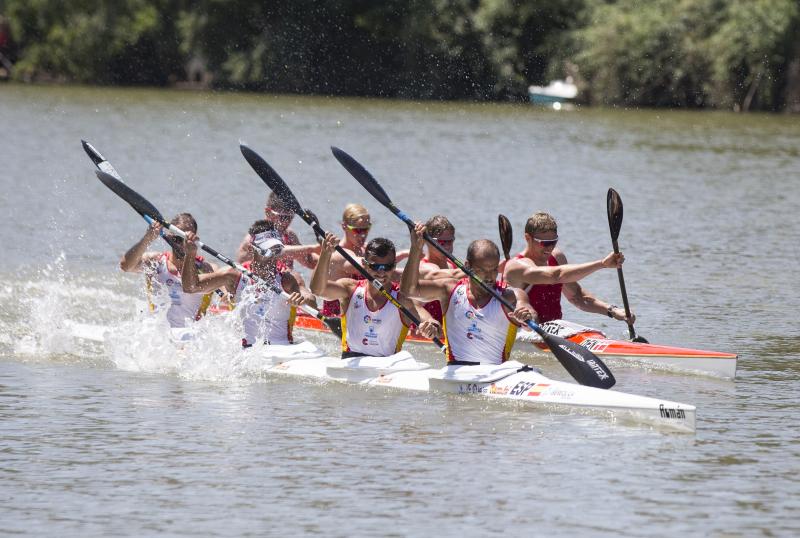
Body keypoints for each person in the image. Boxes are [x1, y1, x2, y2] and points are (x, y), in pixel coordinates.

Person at [402, 224, 536, 365]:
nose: (489, 277)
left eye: (494, 269)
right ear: (467, 266)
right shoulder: (449, 290)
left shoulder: (511, 296)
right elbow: (408, 290)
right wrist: (415, 249)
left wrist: (527, 316)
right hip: (457, 371)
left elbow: (531, 315)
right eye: (482, 270)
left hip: (497, 374)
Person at [182, 220, 314, 347]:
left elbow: (310, 298)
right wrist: (190, 254)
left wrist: (302, 299)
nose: (272, 256)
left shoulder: (288, 279)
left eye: (276, 250)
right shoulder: (234, 276)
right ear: (252, 249)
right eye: (267, 251)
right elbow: (190, 287)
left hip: (284, 349)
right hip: (249, 353)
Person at [311, 231, 439, 358]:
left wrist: (432, 327)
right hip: (351, 361)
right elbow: (317, 290)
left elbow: (431, 321)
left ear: (394, 266)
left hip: (385, 366)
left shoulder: (402, 299)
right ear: (365, 265)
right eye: (375, 266)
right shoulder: (349, 290)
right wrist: (325, 254)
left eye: (387, 267)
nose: (381, 273)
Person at [502, 211, 631, 324]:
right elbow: (556, 275)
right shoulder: (516, 266)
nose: (550, 248)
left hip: (556, 331)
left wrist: (612, 311)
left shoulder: (557, 257)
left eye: (553, 242)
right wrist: (602, 264)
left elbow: (578, 297)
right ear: (527, 238)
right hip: (524, 332)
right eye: (544, 243)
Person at [119, 213, 216, 329]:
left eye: (185, 240)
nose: (181, 245)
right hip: (158, 335)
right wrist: (148, 238)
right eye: (177, 239)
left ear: (195, 240)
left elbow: (229, 295)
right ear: (169, 237)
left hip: (192, 336)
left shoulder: (207, 269)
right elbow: (126, 266)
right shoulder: (155, 263)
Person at [319, 203, 410, 317]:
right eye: (358, 230)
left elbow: (381, 264)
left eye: (366, 229)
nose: (363, 235)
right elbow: (369, 265)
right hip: (338, 316)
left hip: (363, 314)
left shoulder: (368, 250)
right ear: (344, 226)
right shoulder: (339, 254)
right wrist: (406, 255)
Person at [235, 192, 318, 269]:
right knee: (297, 278)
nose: (287, 222)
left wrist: (326, 250)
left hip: (279, 282)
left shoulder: (289, 235)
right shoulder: (255, 237)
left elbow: (311, 262)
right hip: (252, 282)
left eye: (290, 217)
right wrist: (313, 248)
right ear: (268, 212)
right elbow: (278, 252)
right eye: (283, 217)